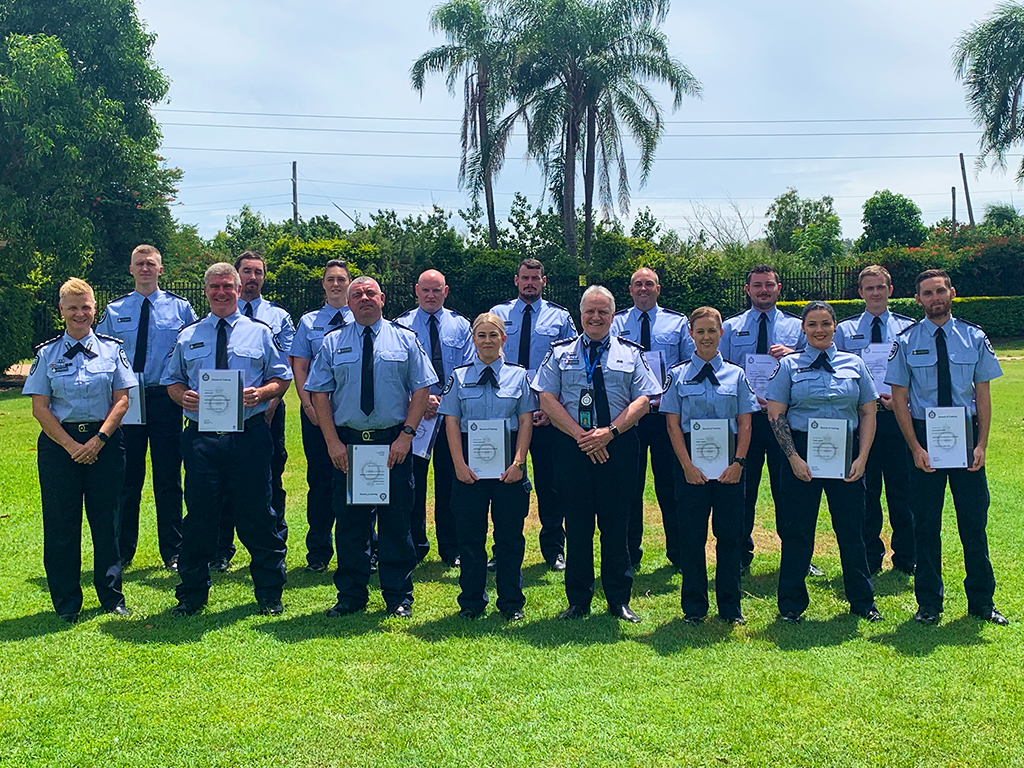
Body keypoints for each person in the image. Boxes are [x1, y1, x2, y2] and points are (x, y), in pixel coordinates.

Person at [162, 263, 291, 617]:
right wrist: (182, 397)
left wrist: (261, 393)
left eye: (227, 287)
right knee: (200, 517)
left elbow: (282, 378)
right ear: (205, 291)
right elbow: (172, 381)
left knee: (258, 515)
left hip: (248, 436)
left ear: (237, 289)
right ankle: (191, 594)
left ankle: (269, 592)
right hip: (202, 439)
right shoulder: (189, 336)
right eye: (214, 287)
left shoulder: (261, 333)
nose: (221, 292)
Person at [306, 277, 437, 619]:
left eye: (369, 294)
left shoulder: (405, 339)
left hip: (392, 444)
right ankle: (351, 595)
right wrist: (332, 441)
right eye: (357, 295)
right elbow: (319, 392)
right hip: (348, 444)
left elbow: (421, 387)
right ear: (348, 303)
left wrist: (408, 434)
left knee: (396, 523)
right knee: (350, 523)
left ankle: (398, 596)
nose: (363, 299)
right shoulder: (333, 343)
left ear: (382, 298)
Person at [885, 269, 1008, 626]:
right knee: (925, 524)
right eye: (927, 293)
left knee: (973, 522)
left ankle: (982, 602)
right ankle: (929, 604)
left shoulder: (974, 337)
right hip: (925, 437)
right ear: (917, 298)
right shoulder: (906, 341)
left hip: (965, 436)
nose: (935, 298)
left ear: (952, 293)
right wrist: (914, 447)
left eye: (940, 291)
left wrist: (981, 444)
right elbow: (900, 397)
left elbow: (982, 396)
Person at [534, 286, 662, 622]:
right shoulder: (560, 352)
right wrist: (581, 435)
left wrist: (609, 433)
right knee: (577, 525)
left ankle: (618, 599)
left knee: (616, 524)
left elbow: (644, 399)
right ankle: (578, 600)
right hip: (572, 446)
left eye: (602, 312)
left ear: (612, 315)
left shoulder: (631, 353)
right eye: (590, 311)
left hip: (617, 446)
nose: (595, 317)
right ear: (580, 315)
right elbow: (546, 397)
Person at [24, 278, 136, 622]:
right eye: (72, 307)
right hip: (61, 447)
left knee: (108, 522)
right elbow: (40, 407)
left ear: (94, 310)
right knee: (61, 524)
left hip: (104, 442)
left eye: (85, 306)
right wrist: (73, 445)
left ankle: (111, 596)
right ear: (61, 311)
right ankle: (67, 600)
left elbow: (122, 400)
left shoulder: (112, 349)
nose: (80, 313)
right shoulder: (47, 354)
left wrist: (98, 441)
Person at [766, 301, 881, 623]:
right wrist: (793, 458)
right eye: (813, 324)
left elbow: (868, 412)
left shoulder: (854, 364)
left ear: (835, 327)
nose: (819, 330)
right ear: (803, 329)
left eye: (826, 324)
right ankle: (790, 604)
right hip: (802, 452)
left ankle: (862, 601)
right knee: (797, 531)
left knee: (851, 530)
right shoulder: (789, 366)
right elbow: (776, 413)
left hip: (846, 452)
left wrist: (862, 457)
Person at [95, 244, 198, 572]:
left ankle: (173, 550)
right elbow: (103, 355)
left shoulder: (180, 309)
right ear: (131, 269)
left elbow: (195, 349)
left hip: (166, 397)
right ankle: (123, 550)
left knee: (168, 477)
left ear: (160, 269)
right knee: (128, 478)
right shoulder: (115, 311)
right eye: (139, 263)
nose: (145, 269)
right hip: (129, 401)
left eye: (150, 264)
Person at [662, 307, 759, 625]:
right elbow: (673, 425)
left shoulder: (737, 375)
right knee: (691, 535)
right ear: (690, 334)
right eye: (700, 331)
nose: (706, 336)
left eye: (711, 331)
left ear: (721, 334)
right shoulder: (677, 375)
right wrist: (686, 465)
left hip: (730, 461)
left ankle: (731, 607)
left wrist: (739, 462)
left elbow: (745, 423)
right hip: (691, 461)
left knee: (730, 535)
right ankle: (694, 607)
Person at [439, 312, 534, 620]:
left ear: (503, 339)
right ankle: (471, 601)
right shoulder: (459, 376)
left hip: (509, 461)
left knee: (509, 537)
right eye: (481, 335)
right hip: (470, 463)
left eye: (494, 335)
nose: (488, 341)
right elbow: (451, 422)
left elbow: (525, 421)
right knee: (470, 537)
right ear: (474, 340)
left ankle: (510, 602)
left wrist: (519, 462)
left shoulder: (519, 377)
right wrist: (458, 464)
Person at [720, 265, 811, 574]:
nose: (763, 290)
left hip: (782, 420)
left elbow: (811, 367)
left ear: (779, 288)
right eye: (757, 285)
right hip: (744, 420)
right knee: (741, 489)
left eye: (769, 285)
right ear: (747, 290)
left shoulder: (798, 328)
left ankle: (796, 555)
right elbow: (721, 371)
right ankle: (740, 552)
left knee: (788, 490)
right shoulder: (730, 328)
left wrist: (793, 355)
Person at [210, 250, 295, 573]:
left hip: (264, 411)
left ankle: (275, 543)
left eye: (258, 272)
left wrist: (267, 405)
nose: (252, 277)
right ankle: (221, 548)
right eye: (246, 271)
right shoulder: (212, 318)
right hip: (216, 417)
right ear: (236, 276)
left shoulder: (278, 317)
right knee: (222, 480)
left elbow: (282, 367)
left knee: (269, 477)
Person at [491, 259, 576, 571]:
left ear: (544, 281)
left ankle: (554, 550)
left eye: (535, 278)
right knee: (503, 486)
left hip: (546, 417)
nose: (529, 283)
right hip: (507, 415)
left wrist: (552, 409)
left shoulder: (560, 317)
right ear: (516, 280)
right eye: (524, 278)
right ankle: (501, 550)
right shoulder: (498, 314)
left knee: (551, 486)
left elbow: (570, 364)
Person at [610, 267, 695, 571]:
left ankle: (679, 552)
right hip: (628, 416)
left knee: (671, 487)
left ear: (658, 289)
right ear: (630, 290)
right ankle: (629, 554)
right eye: (637, 285)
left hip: (665, 416)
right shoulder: (615, 322)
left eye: (648, 284)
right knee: (628, 488)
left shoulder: (677, 323)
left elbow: (689, 364)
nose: (643, 289)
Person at [834, 265, 916, 576]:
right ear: (861, 293)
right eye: (869, 288)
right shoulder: (844, 331)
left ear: (890, 290)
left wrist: (900, 401)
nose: (875, 293)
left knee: (902, 490)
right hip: (861, 421)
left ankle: (907, 556)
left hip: (898, 420)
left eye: (881, 287)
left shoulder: (909, 329)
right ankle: (869, 554)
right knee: (865, 491)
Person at [396, 269, 474, 567]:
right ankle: (415, 545)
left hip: (449, 416)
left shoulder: (461, 326)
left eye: (436, 290)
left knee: (451, 484)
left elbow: (468, 370)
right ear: (416, 290)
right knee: (412, 484)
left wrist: (444, 400)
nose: (431, 295)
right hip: (415, 415)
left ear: (446, 291)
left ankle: (451, 548)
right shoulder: (401, 326)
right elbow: (396, 371)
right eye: (426, 290)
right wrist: (421, 398)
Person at [290, 259, 354, 572]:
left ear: (350, 284)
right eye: (330, 279)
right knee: (320, 481)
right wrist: (308, 405)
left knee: (358, 481)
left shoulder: (363, 317)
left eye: (341, 279)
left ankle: (362, 547)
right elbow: (299, 366)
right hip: (317, 413)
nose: (336, 284)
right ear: (324, 285)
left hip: (354, 415)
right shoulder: (309, 322)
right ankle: (318, 551)